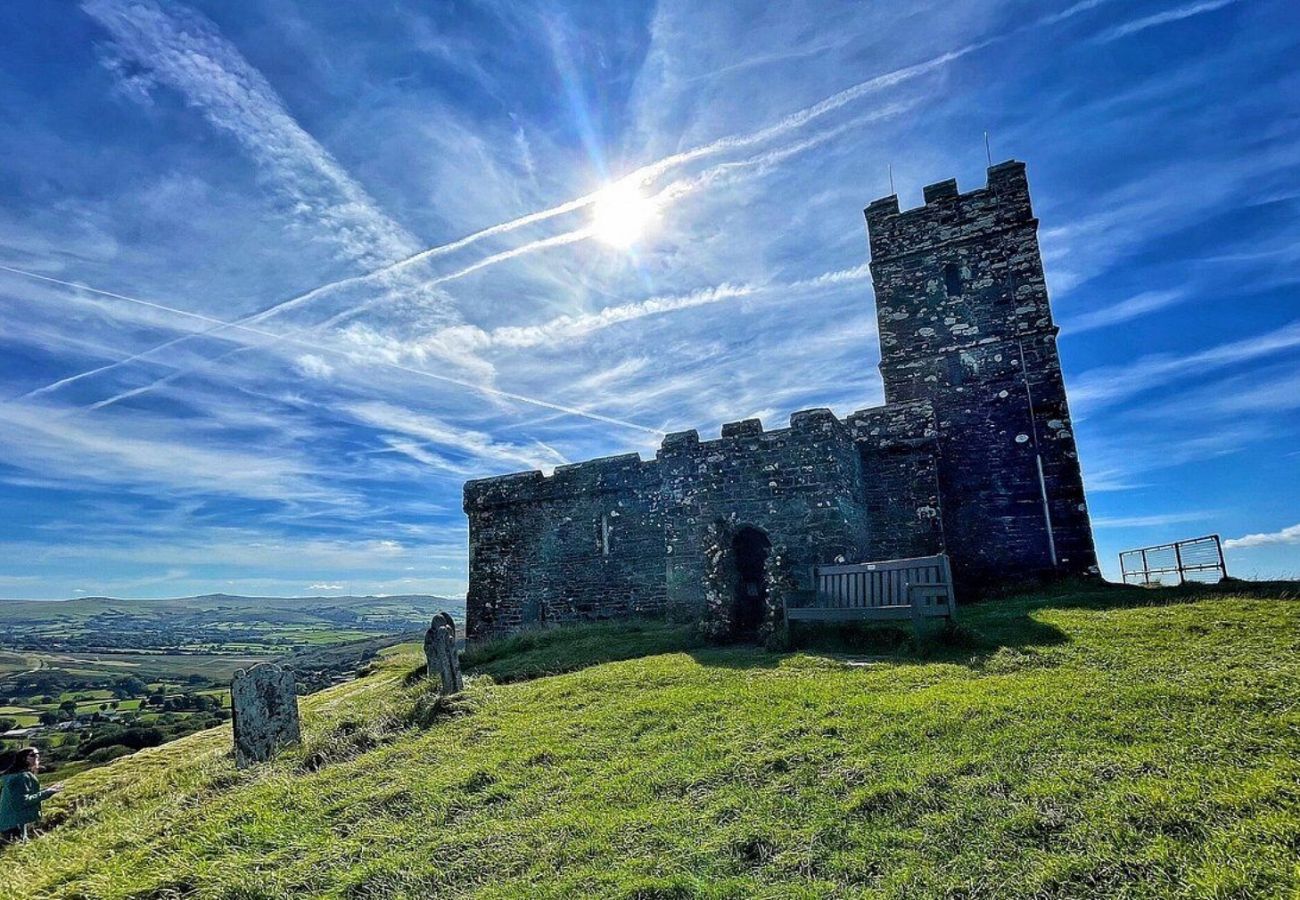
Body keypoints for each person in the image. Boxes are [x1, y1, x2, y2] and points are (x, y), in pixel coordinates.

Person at [0, 747, 62, 842]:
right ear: (24, 759)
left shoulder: (14, 776)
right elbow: (22, 802)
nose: (37, 757)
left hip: (11, 822)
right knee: (18, 851)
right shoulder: (22, 777)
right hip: (14, 824)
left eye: (37, 754)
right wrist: (48, 792)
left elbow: (24, 794)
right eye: (33, 755)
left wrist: (48, 789)